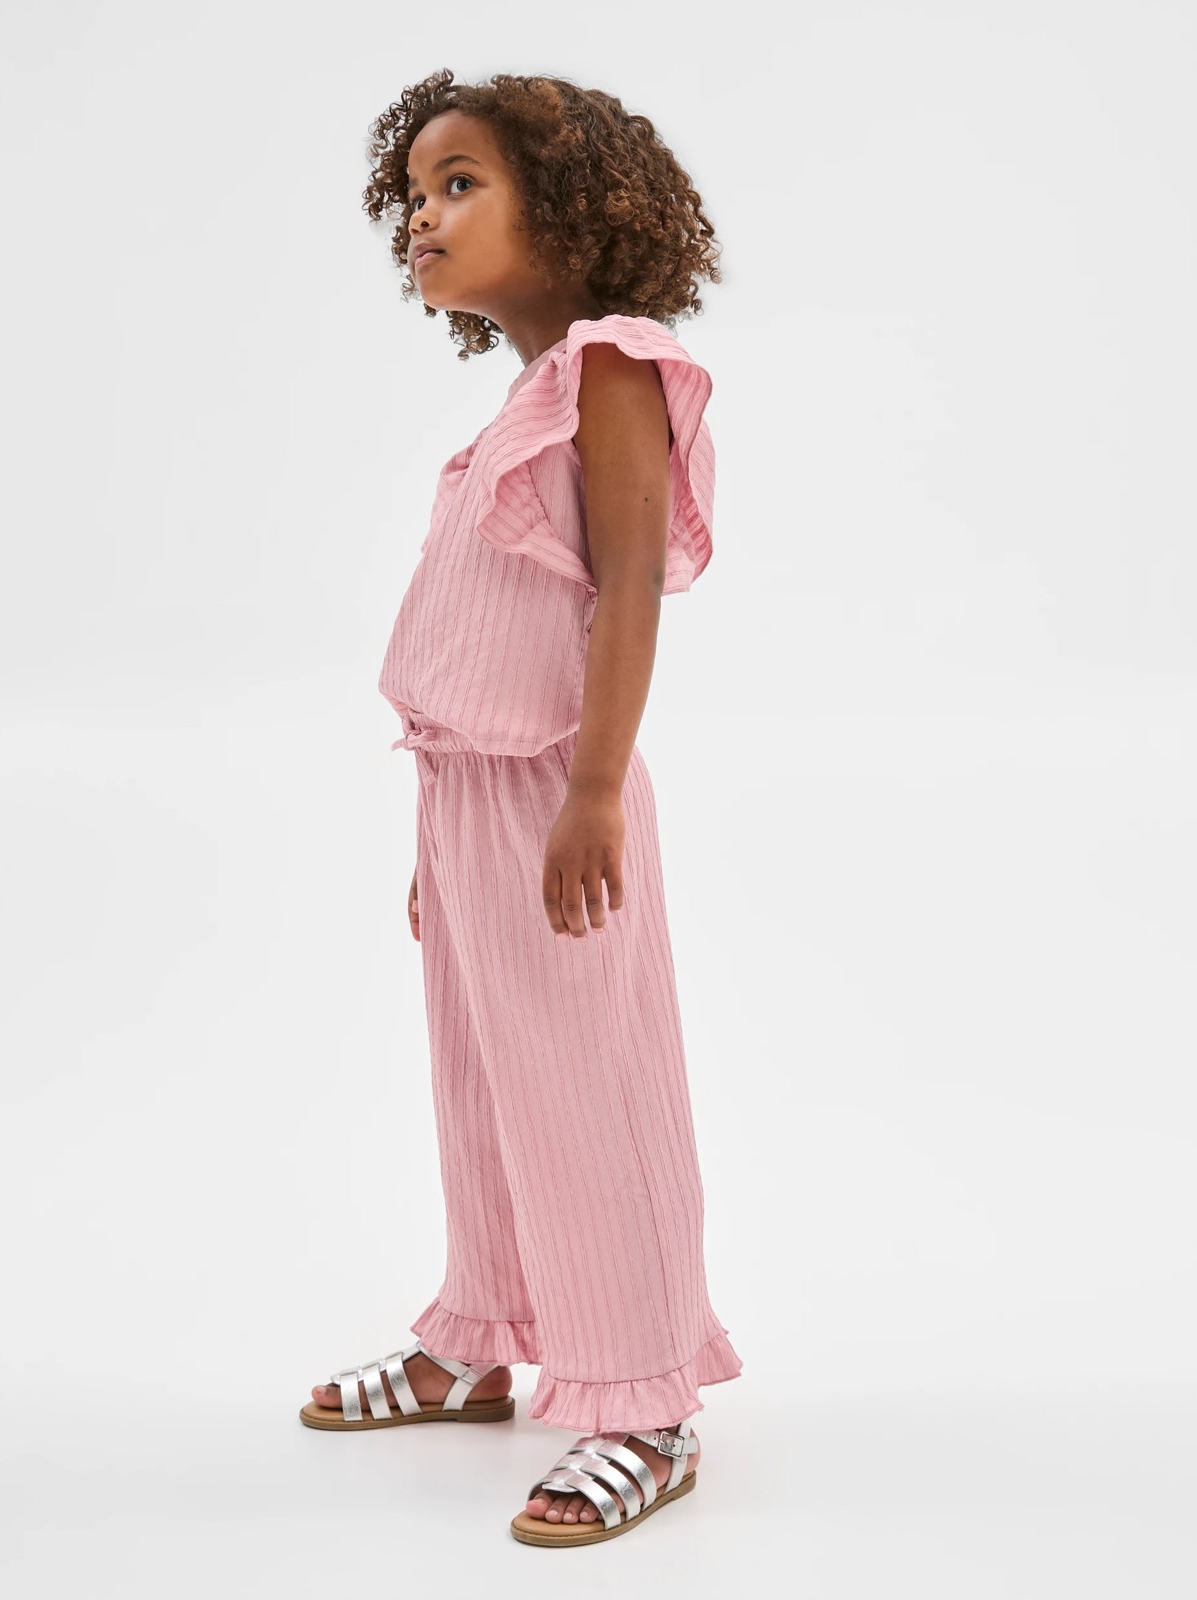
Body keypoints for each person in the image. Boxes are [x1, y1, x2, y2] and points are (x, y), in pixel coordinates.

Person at [297, 69, 742, 1548]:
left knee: (588, 1085)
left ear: (567, 209)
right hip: (467, 795)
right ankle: (479, 1336)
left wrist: (595, 790)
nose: (422, 218)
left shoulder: (615, 367)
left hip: (559, 791)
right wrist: (439, 844)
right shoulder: (531, 393)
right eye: (414, 195)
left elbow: (628, 596)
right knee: (483, 1083)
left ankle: (645, 1400)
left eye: (460, 184)